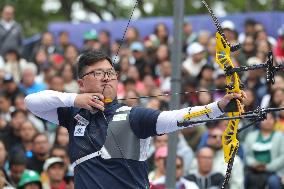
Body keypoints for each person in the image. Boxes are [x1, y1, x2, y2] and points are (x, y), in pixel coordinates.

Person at [24, 50, 244, 189]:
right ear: (81, 83)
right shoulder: (73, 115)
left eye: (110, 72)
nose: (107, 78)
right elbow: (31, 102)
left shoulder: (133, 116)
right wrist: (75, 99)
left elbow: (178, 118)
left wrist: (218, 108)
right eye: (98, 73)